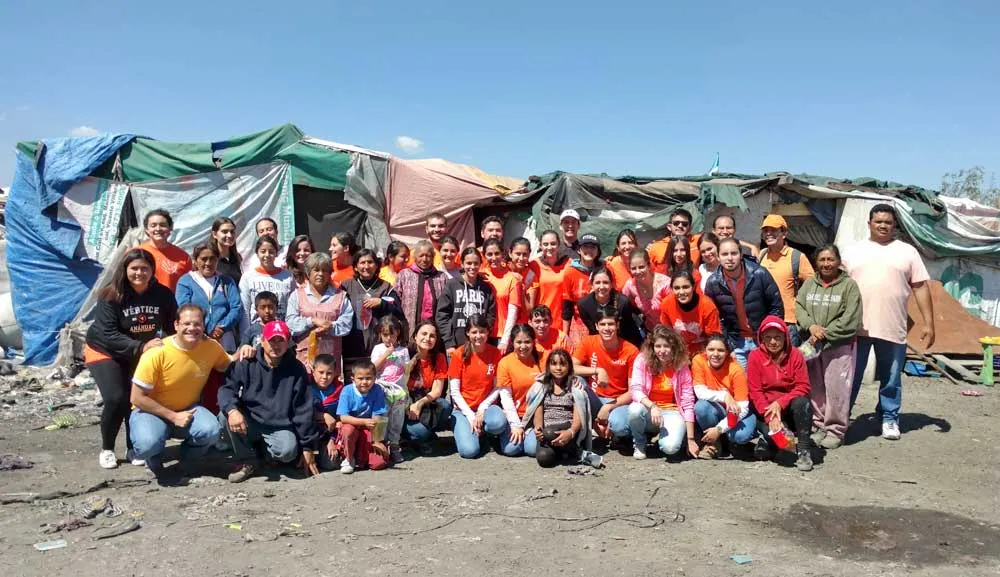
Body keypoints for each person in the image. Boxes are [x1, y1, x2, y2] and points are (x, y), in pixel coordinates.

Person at [842, 204, 934, 441]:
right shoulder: (852, 251)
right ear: (869, 223)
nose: (883, 225)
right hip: (855, 327)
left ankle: (889, 418)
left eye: (888, 222)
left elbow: (921, 287)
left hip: (893, 325)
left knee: (891, 376)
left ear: (895, 226)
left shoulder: (908, 252)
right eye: (878, 221)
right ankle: (841, 420)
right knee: (850, 376)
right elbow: (837, 286)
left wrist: (928, 323)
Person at [86, 249, 177, 470]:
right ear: (125, 270)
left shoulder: (162, 294)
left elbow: (171, 325)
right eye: (134, 268)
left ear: (152, 270)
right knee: (116, 397)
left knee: (136, 398)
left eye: (144, 268)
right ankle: (107, 449)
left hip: (139, 351)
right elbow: (109, 334)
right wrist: (141, 346)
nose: (139, 273)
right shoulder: (110, 295)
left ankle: (133, 447)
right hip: (104, 350)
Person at [129, 305, 232, 480]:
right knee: (148, 444)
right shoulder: (157, 352)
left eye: (197, 324)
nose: (192, 328)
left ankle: (187, 460)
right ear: (176, 325)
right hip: (149, 411)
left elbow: (228, 364)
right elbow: (137, 398)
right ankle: (153, 458)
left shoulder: (211, 347)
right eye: (186, 323)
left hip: (188, 408)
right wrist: (173, 417)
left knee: (212, 431)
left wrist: (248, 349)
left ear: (204, 326)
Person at [220, 320, 321, 482]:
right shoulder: (247, 362)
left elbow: (303, 409)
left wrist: (307, 447)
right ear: (262, 341)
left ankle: (263, 452)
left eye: (280, 340)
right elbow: (226, 389)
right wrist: (232, 411)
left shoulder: (296, 369)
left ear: (288, 342)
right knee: (225, 415)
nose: (276, 345)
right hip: (250, 420)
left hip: (278, 425)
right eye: (271, 340)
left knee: (288, 452)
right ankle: (247, 460)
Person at [795, 245, 862, 450]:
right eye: (822, 260)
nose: (826, 264)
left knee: (837, 389)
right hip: (814, 345)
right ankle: (819, 425)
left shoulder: (849, 286)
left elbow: (851, 317)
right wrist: (811, 327)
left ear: (838, 261)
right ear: (816, 262)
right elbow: (800, 306)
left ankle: (835, 430)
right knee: (815, 388)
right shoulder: (809, 284)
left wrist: (825, 333)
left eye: (830, 259)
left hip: (838, 346)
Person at [746, 316, 813, 472]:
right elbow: (755, 391)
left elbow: (803, 386)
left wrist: (780, 403)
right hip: (765, 410)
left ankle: (803, 450)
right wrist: (771, 417)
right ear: (761, 338)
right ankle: (768, 440)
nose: (773, 342)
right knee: (767, 451)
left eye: (778, 337)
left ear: (785, 337)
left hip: (789, 408)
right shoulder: (755, 356)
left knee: (802, 402)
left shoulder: (795, 355)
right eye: (768, 337)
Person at [704, 238, 783, 369]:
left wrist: (769, 337)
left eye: (734, 253)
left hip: (762, 341)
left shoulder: (759, 274)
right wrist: (728, 344)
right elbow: (714, 318)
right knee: (742, 386)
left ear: (741, 254)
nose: (729, 258)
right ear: (718, 256)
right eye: (724, 254)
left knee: (766, 382)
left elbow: (776, 307)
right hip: (736, 344)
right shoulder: (713, 283)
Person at [448, 315, 518, 458]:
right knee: (469, 451)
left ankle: (485, 433)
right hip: (463, 409)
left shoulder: (495, 353)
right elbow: (454, 392)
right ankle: (465, 430)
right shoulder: (458, 354)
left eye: (482, 331)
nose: (478, 336)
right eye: (474, 332)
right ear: (467, 333)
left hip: (486, 407)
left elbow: (497, 387)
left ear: (488, 332)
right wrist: (471, 416)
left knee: (497, 424)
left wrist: (482, 408)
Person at [627, 326, 698, 460]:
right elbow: (636, 389)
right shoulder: (642, 360)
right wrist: (652, 406)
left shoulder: (681, 365)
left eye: (666, 346)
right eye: (658, 346)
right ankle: (639, 443)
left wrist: (691, 439)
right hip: (649, 409)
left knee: (670, 449)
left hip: (672, 411)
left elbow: (687, 402)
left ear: (674, 347)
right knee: (634, 410)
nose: (662, 351)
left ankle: (669, 437)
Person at [521, 350, 600, 468]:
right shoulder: (541, 386)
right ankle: (568, 452)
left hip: (567, 427)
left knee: (549, 432)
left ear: (569, 367)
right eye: (554, 364)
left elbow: (579, 417)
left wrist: (570, 432)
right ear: (548, 366)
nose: (558, 368)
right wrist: (538, 430)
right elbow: (538, 411)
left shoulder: (574, 387)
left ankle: (579, 452)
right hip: (546, 431)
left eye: (563, 364)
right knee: (544, 460)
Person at [572, 311, 640, 446]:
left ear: (617, 325)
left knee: (619, 426)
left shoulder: (631, 350)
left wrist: (608, 407)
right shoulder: (588, 341)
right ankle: (594, 425)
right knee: (575, 381)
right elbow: (570, 368)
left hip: (619, 401)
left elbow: (633, 390)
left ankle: (615, 431)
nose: (606, 328)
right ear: (596, 326)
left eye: (610, 324)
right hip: (595, 398)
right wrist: (598, 370)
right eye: (602, 324)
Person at [285, 252, 354, 375]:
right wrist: (311, 321)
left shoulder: (340, 296)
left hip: (330, 362)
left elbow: (347, 324)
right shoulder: (297, 295)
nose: (320, 274)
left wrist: (330, 326)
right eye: (316, 270)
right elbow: (290, 324)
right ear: (308, 272)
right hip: (304, 360)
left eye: (325, 270)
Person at [692, 334, 757, 458]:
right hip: (717, 410)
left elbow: (742, 407)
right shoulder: (698, 360)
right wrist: (724, 396)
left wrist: (719, 429)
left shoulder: (736, 369)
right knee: (701, 407)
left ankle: (726, 439)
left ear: (727, 352)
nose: (715, 354)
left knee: (739, 436)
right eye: (711, 349)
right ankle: (714, 444)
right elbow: (700, 392)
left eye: (721, 350)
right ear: (705, 350)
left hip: (738, 413)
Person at [341, 249, 402, 371]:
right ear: (356, 267)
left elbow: (398, 311)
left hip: (379, 347)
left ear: (377, 265)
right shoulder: (346, 286)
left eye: (370, 262)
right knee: (354, 384)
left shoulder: (385, 287)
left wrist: (382, 303)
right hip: (353, 347)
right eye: (362, 263)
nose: (366, 266)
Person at [759, 214, 815, 346]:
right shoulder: (761, 255)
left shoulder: (796, 257)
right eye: (766, 230)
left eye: (773, 230)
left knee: (787, 363)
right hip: (765, 320)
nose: (769, 234)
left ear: (784, 233)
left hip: (788, 322)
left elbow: (812, 286)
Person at [176, 243, 242, 353]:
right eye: (204, 259)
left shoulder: (226, 281)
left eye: (212, 259)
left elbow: (236, 307)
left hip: (225, 339)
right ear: (195, 260)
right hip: (196, 337)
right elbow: (185, 309)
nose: (208, 263)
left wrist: (222, 327)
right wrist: (209, 327)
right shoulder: (185, 282)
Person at [436, 247, 497, 356]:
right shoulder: (452, 285)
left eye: (476, 263)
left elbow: (490, 315)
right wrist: (449, 343)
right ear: (462, 264)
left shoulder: (486, 288)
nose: (472, 267)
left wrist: (483, 336)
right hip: (456, 346)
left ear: (480, 264)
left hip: (479, 345)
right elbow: (442, 315)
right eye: (468, 263)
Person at [403, 321, 454, 451]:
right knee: (421, 432)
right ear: (415, 336)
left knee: (445, 406)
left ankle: (421, 435)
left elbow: (437, 390)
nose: (427, 338)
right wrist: (409, 406)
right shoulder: (405, 355)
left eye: (432, 336)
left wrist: (419, 404)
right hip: (404, 402)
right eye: (424, 334)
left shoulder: (439, 358)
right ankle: (416, 435)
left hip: (425, 401)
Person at [497, 325, 544, 457]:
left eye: (527, 342)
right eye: (519, 342)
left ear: (533, 342)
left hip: (536, 416)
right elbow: (505, 398)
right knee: (511, 449)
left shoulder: (542, 358)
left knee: (532, 450)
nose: (523, 346)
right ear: (512, 343)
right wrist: (516, 425)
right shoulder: (505, 363)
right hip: (515, 415)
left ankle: (529, 433)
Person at [336, 361, 389, 473]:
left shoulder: (377, 390)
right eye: (360, 378)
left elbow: (377, 416)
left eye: (368, 378)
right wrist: (364, 421)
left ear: (375, 378)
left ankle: (361, 457)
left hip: (368, 428)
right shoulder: (347, 391)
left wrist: (377, 440)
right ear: (353, 379)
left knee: (379, 463)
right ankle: (349, 458)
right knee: (347, 430)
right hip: (351, 426)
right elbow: (343, 417)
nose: (364, 382)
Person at [370, 316, 410, 464]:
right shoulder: (378, 349)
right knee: (383, 418)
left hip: (399, 390)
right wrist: (386, 354)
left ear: (397, 333)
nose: (388, 338)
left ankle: (394, 445)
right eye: (385, 335)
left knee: (397, 419)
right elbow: (373, 368)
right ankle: (381, 443)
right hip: (382, 389)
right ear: (380, 334)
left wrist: (406, 391)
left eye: (391, 335)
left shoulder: (404, 351)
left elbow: (406, 371)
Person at [239, 235, 295, 336]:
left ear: (276, 253)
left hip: (281, 333)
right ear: (257, 253)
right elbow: (245, 310)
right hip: (257, 333)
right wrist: (246, 336)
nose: (267, 255)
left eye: (271, 251)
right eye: (263, 251)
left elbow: (293, 307)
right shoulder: (248, 277)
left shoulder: (288, 277)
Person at [659, 271, 722, 357]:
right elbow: (666, 333)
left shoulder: (707, 306)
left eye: (685, 287)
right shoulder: (666, 303)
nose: (681, 292)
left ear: (693, 287)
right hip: (678, 351)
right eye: (677, 288)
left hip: (702, 352)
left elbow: (713, 338)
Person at [576, 266, 643, 346]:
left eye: (605, 282)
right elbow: (593, 330)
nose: (602, 287)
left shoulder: (623, 303)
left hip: (624, 340)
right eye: (597, 283)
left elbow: (628, 329)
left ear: (611, 284)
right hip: (599, 342)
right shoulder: (584, 305)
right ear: (592, 285)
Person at [396, 240, 448, 335]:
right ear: (415, 257)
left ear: (433, 257)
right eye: (421, 255)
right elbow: (396, 302)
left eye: (428, 255)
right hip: (409, 330)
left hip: (434, 332)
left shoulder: (442, 277)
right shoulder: (404, 275)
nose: (424, 259)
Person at [561, 233, 603, 346]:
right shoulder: (570, 272)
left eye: (593, 247)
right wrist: (566, 333)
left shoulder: (604, 270)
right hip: (579, 324)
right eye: (585, 247)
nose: (589, 250)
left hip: (602, 323)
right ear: (579, 250)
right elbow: (567, 304)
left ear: (598, 251)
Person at [482, 238, 523, 352]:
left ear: (503, 254)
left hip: (501, 335)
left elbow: (513, 312)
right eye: (489, 254)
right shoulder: (481, 274)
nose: (493, 258)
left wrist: (505, 340)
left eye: (497, 253)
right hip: (481, 334)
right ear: (484, 255)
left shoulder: (512, 279)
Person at [139, 209, 191, 292]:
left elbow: (189, 286)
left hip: (172, 303)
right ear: (147, 230)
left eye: (163, 225)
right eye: (153, 225)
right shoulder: (137, 253)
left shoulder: (183, 257)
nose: (158, 229)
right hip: (142, 303)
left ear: (170, 228)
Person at [622, 250, 671, 335]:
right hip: (650, 332)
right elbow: (623, 302)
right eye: (634, 268)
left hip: (670, 331)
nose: (638, 271)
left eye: (641, 267)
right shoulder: (630, 286)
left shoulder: (665, 283)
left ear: (648, 265)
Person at [310, 354, 344, 470]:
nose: (325, 377)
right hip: (308, 433)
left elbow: (340, 420)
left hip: (329, 433)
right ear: (313, 371)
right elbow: (298, 413)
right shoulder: (305, 387)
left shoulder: (340, 391)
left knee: (331, 464)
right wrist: (322, 415)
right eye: (321, 372)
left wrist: (332, 440)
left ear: (335, 373)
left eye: (329, 373)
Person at [536, 229, 569, 331]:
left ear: (559, 245)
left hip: (562, 320)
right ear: (540, 246)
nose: (549, 247)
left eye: (553, 244)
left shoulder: (569, 264)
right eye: (545, 244)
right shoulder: (534, 265)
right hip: (540, 321)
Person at [649, 208, 700, 273]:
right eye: (676, 223)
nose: (680, 226)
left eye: (684, 224)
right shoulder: (656, 247)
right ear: (669, 227)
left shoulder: (698, 241)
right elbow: (650, 272)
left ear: (690, 228)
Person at [507, 237, 540, 321]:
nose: (521, 258)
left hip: (521, 324)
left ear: (529, 254)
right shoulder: (503, 269)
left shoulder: (531, 276)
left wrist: (520, 289)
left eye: (525, 254)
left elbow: (529, 310)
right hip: (503, 321)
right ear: (510, 253)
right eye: (517, 254)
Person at [210, 217, 243, 285]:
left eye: (232, 232)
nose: (229, 235)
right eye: (224, 232)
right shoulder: (209, 258)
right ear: (214, 234)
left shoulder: (237, 258)